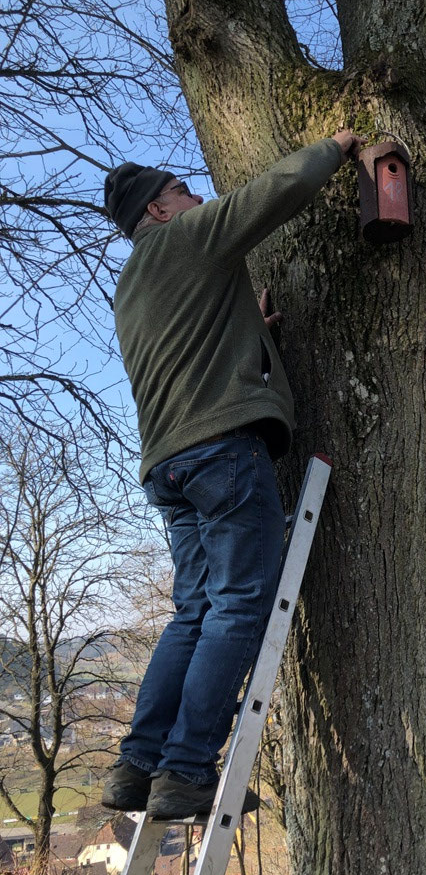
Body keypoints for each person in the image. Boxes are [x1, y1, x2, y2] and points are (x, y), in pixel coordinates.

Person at [101, 129, 365, 818]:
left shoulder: (134, 284)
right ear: (157, 211)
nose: (196, 196)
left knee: (194, 611)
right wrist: (336, 147)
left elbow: (198, 349)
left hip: (170, 464)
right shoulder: (185, 240)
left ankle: (137, 767)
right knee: (240, 605)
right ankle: (186, 771)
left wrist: (256, 330)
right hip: (222, 452)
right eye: (182, 190)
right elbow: (273, 194)